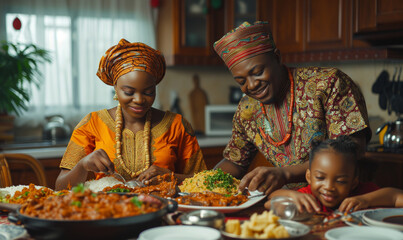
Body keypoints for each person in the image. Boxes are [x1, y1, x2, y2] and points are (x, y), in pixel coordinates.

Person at [213, 21, 371, 195]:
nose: (252, 85)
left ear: (277, 57)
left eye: (258, 72)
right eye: (241, 82)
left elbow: (350, 152)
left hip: (344, 199)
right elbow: (235, 161)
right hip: (294, 202)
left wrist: (285, 173)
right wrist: (202, 183)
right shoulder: (247, 109)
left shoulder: (328, 83)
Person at [55, 39, 206, 190]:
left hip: (165, 210)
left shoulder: (177, 125)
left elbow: (204, 181)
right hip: (107, 210)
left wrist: (172, 176)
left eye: (148, 92)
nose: (139, 100)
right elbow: (60, 187)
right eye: (129, 92)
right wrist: (83, 165)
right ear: (115, 87)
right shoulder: (92, 123)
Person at [266, 135, 403, 213]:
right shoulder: (308, 197)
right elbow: (270, 202)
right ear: (309, 177)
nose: (329, 187)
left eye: (341, 181)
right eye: (320, 178)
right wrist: (292, 195)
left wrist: (366, 200)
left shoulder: (362, 194)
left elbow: (397, 197)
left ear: (353, 182)